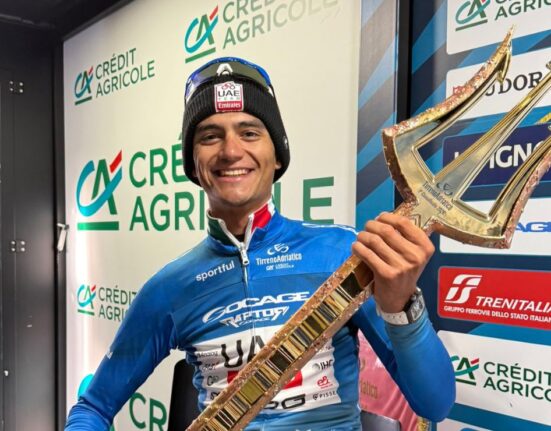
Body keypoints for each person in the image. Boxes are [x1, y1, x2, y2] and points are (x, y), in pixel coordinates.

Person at [65, 57, 455, 430]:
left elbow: (434, 402)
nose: (231, 151)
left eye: (250, 132)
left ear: (277, 155)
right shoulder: (170, 287)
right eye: (210, 136)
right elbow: (93, 407)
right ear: (192, 164)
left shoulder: (343, 253)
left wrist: (402, 306)